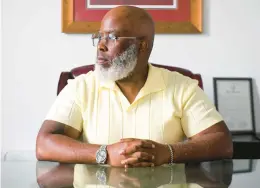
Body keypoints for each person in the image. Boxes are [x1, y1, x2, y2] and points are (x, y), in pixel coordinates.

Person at [36, 5, 233, 168]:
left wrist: (168, 153)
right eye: (99, 37)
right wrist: (104, 154)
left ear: (142, 45)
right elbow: (45, 144)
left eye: (112, 38)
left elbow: (221, 143)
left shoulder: (182, 87)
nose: (101, 46)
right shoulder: (81, 87)